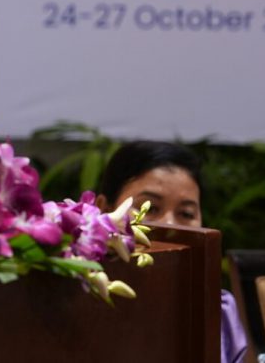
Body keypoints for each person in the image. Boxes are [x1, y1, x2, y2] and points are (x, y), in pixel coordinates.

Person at [97, 141, 247, 363]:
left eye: (186, 213)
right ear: (105, 209)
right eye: (151, 208)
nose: (170, 225)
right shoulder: (81, 296)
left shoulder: (220, 311)